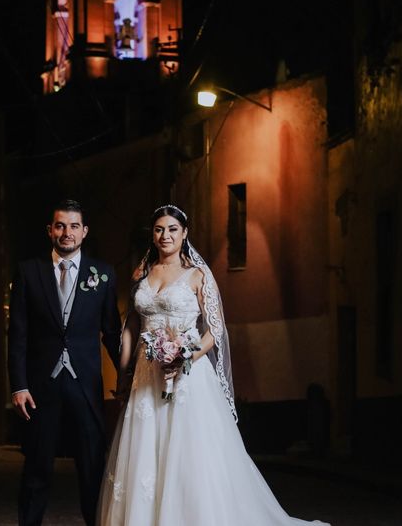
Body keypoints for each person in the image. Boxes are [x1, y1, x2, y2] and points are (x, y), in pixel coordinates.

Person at [98, 204, 329, 526]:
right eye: (159, 230)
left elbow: (215, 330)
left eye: (172, 229)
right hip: (146, 376)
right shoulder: (141, 275)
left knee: (189, 451)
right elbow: (131, 329)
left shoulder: (198, 275)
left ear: (184, 233)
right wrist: (124, 375)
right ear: (152, 235)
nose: (165, 236)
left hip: (188, 376)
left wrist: (186, 357)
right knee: (145, 452)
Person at [9, 199, 121, 526]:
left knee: (91, 471)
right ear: (50, 230)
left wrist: (130, 375)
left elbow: (111, 332)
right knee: (36, 470)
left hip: (86, 387)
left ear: (85, 232)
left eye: (74, 226)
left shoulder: (103, 274)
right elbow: (17, 334)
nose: (66, 233)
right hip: (40, 389)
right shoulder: (29, 272)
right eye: (60, 226)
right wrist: (19, 385)